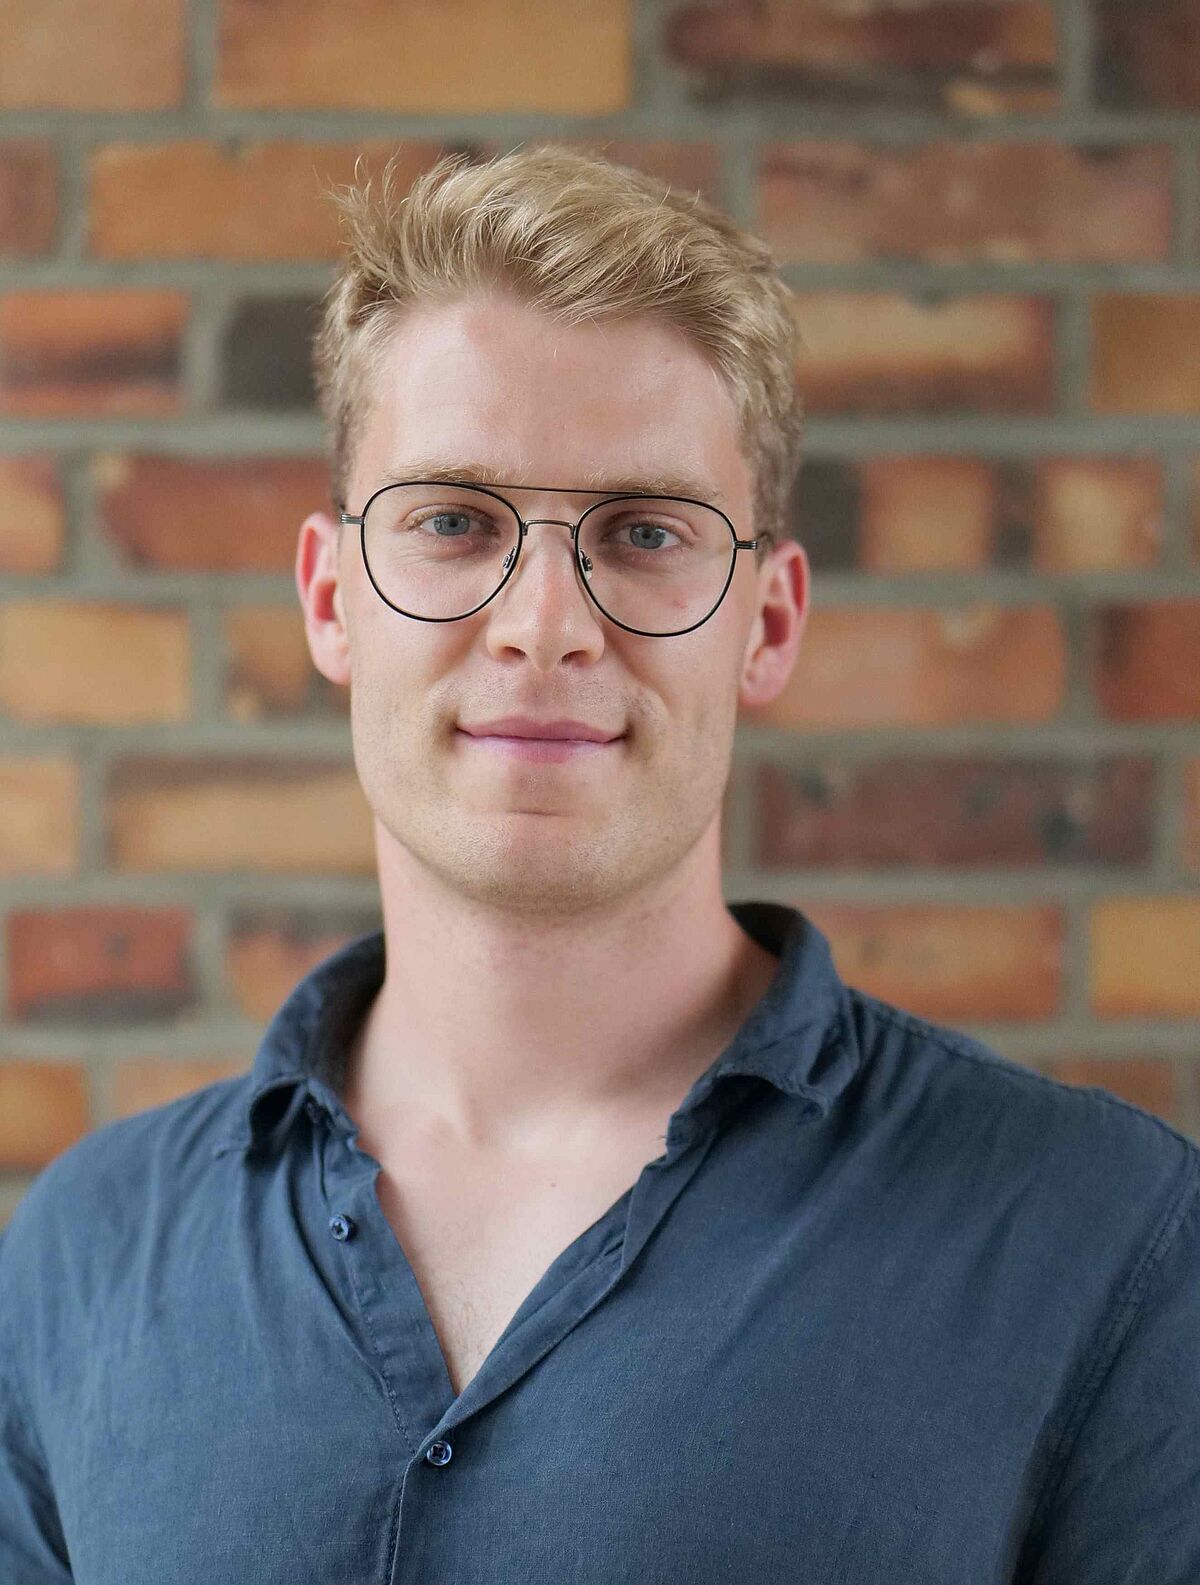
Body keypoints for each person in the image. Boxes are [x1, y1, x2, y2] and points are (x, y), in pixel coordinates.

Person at [2, 144, 1197, 1585]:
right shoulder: (83, 1256)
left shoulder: (1101, 1239)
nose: (544, 623)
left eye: (643, 532)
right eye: (454, 523)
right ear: (331, 599)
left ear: (766, 618)